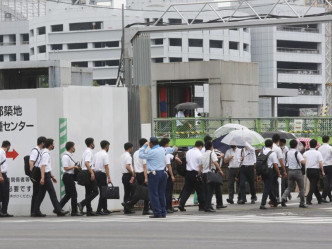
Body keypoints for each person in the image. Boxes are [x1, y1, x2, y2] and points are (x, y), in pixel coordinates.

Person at [33, 139, 67, 217]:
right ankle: (58, 210)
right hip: (45, 176)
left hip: (46, 175)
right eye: (53, 144)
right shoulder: (45, 154)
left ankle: (36, 211)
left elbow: (47, 167)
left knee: (41, 195)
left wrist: (52, 176)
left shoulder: (45, 152)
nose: (53, 145)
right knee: (52, 193)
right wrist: (42, 178)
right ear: (50, 145)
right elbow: (43, 166)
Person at [139, 137, 169, 218]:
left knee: (153, 194)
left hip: (154, 174)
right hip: (163, 173)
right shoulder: (162, 150)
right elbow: (170, 150)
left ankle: (157, 213)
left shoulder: (152, 151)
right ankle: (163, 212)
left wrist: (144, 146)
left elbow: (141, 155)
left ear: (151, 143)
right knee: (161, 194)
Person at [178, 140, 205, 212]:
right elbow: (200, 165)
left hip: (188, 173)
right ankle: (202, 206)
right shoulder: (199, 154)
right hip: (196, 173)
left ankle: (181, 204)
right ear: (201, 146)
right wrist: (199, 174)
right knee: (200, 190)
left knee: (187, 190)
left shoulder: (188, 152)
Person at [198, 141, 224, 212]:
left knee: (206, 191)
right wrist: (220, 170)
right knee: (210, 191)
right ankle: (207, 207)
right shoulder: (212, 153)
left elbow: (200, 166)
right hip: (210, 174)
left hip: (203, 174)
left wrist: (199, 174)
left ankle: (207, 205)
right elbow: (215, 163)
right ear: (211, 147)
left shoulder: (202, 155)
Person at [281, 140, 307, 208]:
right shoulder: (297, 153)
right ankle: (302, 203)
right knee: (301, 188)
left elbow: (286, 163)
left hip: (290, 171)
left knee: (289, 187)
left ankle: (283, 198)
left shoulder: (287, 153)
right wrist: (305, 159)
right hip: (297, 171)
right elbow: (303, 162)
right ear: (296, 145)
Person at [59, 141, 82, 216]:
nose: (74, 148)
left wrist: (77, 167)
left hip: (69, 177)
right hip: (67, 176)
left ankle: (58, 208)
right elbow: (65, 168)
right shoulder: (65, 156)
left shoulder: (70, 156)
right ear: (71, 147)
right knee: (74, 194)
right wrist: (74, 166)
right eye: (74, 146)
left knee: (68, 194)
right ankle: (74, 211)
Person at [78, 138, 99, 216]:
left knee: (88, 192)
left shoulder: (85, 151)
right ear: (91, 144)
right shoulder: (89, 152)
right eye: (93, 143)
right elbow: (86, 163)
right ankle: (82, 203)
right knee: (96, 191)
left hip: (85, 172)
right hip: (88, 172)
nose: (94, 144)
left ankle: (89, 210)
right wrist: (92, 173)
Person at [160, 138, 182, 214]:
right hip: (167, 173)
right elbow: (168, 166)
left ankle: (169, 206)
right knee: (168, 191)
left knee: (168, 191)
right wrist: (172, 175)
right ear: (166, 144)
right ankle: (167, 207)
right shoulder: (166, 151)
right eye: (168, 143)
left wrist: (175, 157)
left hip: (162, 173)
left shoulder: (162, 152)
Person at [259, 139, 281, 210]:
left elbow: (258, 164)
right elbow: (275, 164)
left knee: (268, 186)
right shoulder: (272, 153)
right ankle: (262, 203)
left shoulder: (260, 152)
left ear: (265, 145)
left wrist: (258, 174)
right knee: (267, 187)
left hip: (262, 171)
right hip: (269, 171)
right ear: (271, 145)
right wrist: (279, 173)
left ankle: (274, 201)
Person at [303, 139, 325, 205]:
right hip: (315, 170)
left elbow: (303, 161)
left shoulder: (305, 153)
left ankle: (319, 199)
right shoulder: (318, 153)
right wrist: (322, 171)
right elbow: (320, 163)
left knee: (313, 185)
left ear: (309, 144)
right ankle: (308, 199)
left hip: (308, 170)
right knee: (313, 185)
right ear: (316, 145)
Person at [133, 138, 151, 215]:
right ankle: (145, 209)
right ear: (145, 144)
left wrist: (133, 175)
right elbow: (144, 166)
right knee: (147, 191)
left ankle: (129, 203)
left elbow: (134, 165)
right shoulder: (144, 153)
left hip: (137, 174)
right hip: (143, 174)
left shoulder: (135, 153)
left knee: (140, 191)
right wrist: (146, 177)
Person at [94, 140, 112, 215]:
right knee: (103, 192)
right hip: (102, 174)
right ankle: (99, 210)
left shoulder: (96, 154)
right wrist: (109, 177)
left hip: (96, 174)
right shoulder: (105, 154)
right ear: (107, 146)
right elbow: (106, 166)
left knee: (102, 191)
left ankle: (105, 208)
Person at [29, 136, 46, 217]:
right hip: (36, 174)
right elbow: (31, 162)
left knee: (37, 193)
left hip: (38, 173)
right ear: (42, 143)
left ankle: (35, 211)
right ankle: (34, 211)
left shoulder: (39, 150)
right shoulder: (35, 151)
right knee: (36, 193)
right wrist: (32, 175)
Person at [121, 142, 136, 214]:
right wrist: (133, 173)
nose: (132, 149)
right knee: (131, 192)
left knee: (126, 192)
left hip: (124, 176)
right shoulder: (128, 156)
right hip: (128, 175)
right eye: (132, 147)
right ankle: (128, 206)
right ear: (130, 148)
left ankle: (126, 208)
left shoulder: (122, 155)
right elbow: (128, 167)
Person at [272, 134, 287, 201]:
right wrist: (284, 170)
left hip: (270, 168)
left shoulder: (269, 147)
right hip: (278, 167)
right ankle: (281, 198)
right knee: (281, 184)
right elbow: (281, 161)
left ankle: (273, 197)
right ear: (278, 140)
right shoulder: (277, 149)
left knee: (273, 183)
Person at [0, 140, 13, 217]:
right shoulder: (1, 152)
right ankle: (4, 211)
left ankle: (2, 211)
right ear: (8, 146)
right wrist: (1, 176)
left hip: (2, 174)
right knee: (5, 194)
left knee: (2, 193)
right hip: (2, 175)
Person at [318, 135, 332, 203]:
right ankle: (323, 197)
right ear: (328, 140)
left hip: (322, 167)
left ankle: (330, 197)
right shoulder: (330, 148)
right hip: (329, 166)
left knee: (325, 182)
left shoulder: (319, 148)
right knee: (328, 182)